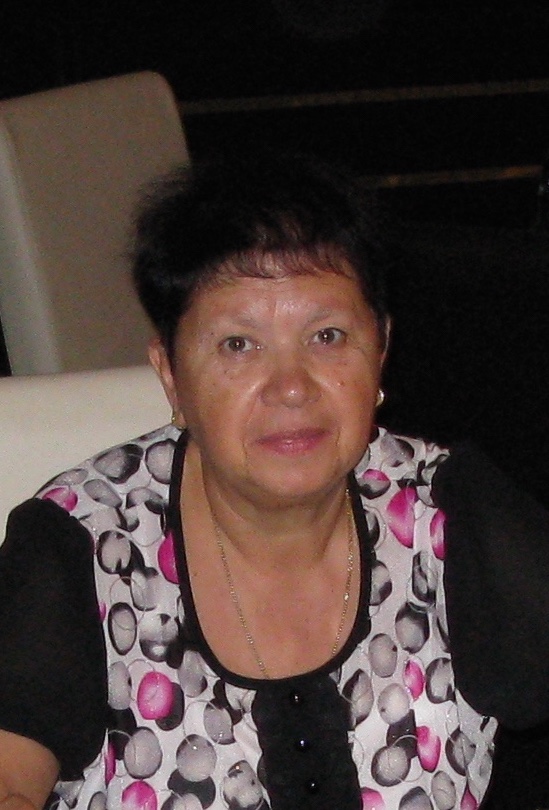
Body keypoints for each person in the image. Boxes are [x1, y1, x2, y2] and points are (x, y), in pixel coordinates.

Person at [1, 151, 549, 810]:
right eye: (238, 344)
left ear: (380, 349)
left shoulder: (450, 513)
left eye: (327, 336)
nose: (291, 387)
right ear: (170, 374)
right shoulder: (84, 544)